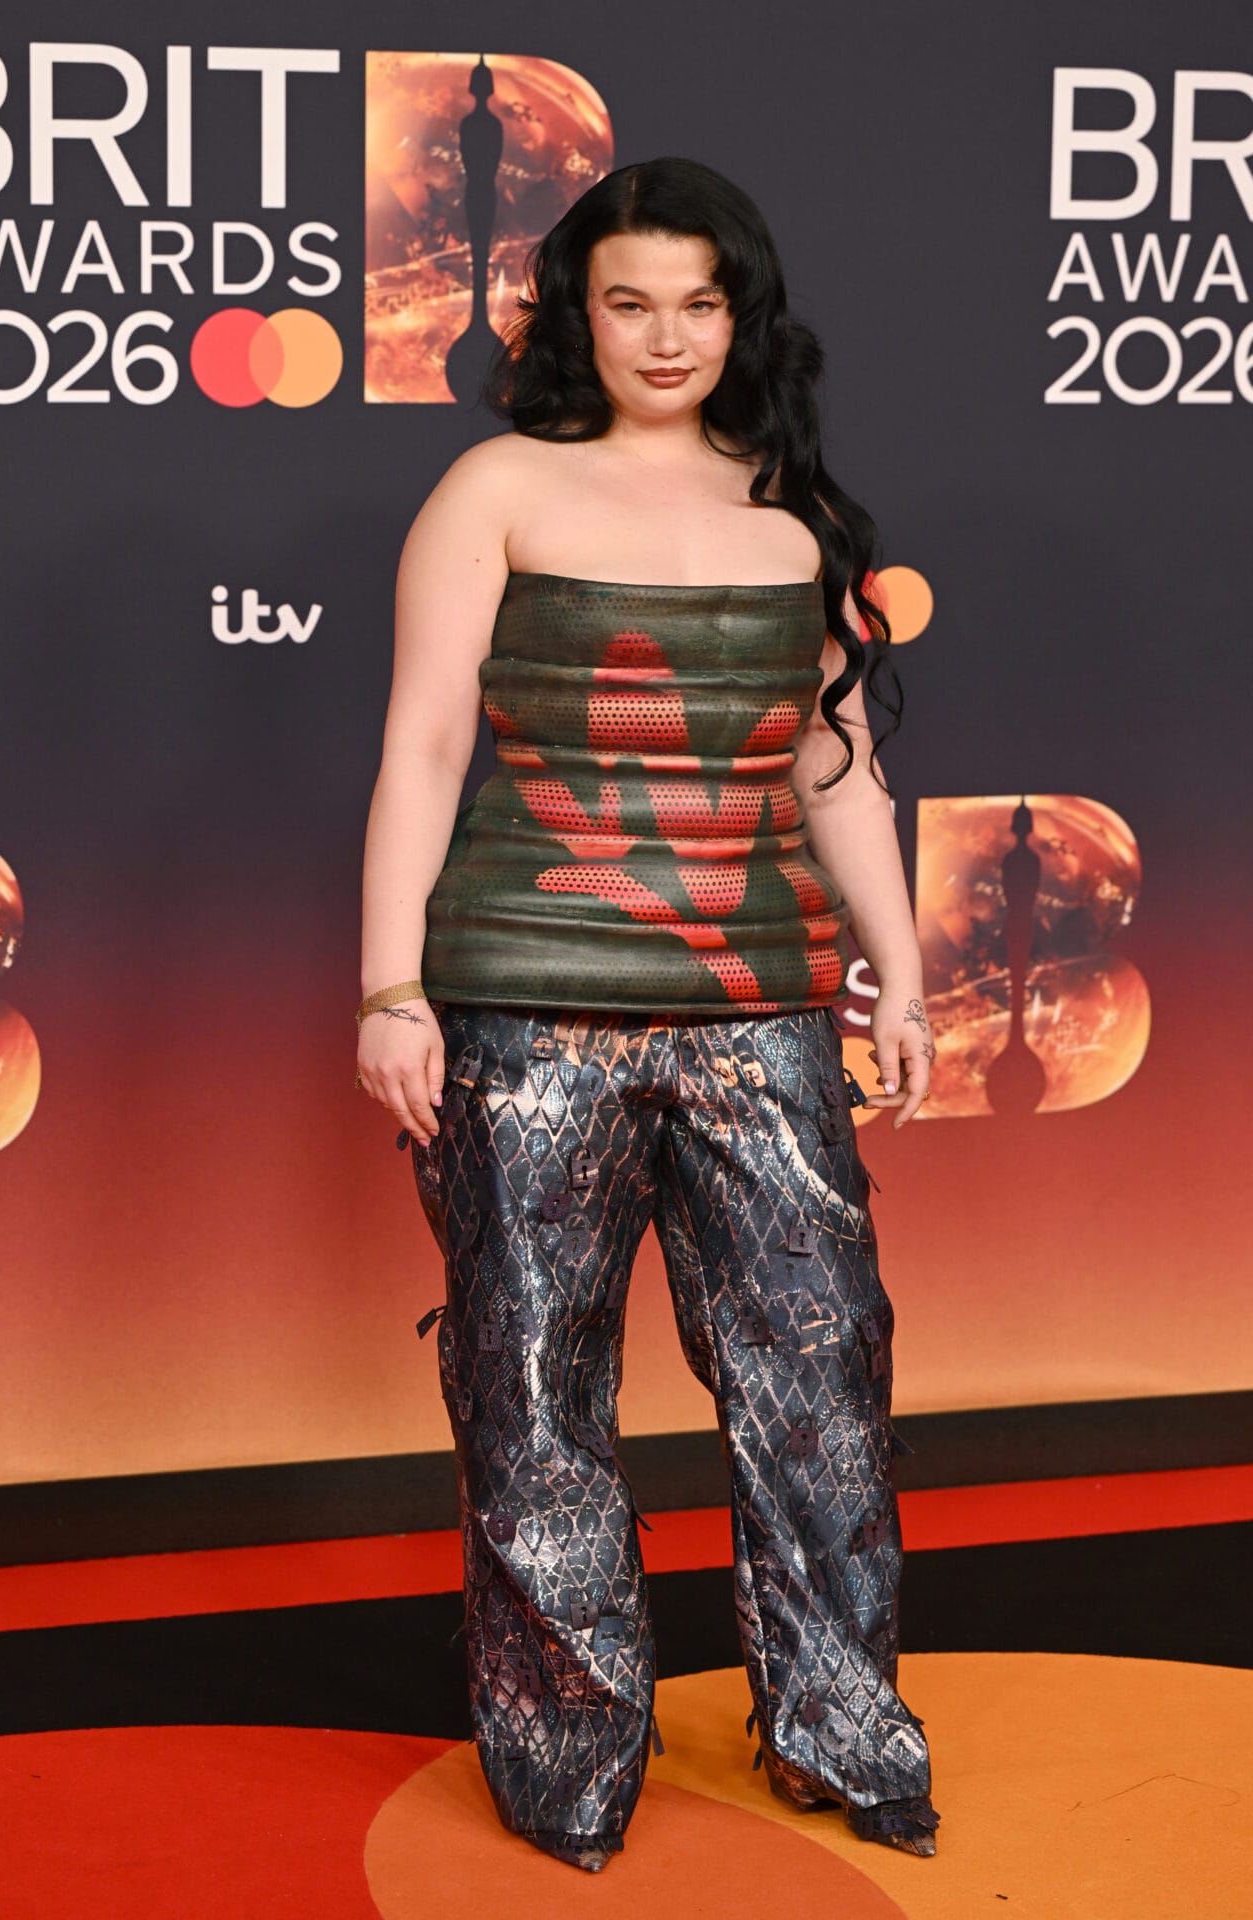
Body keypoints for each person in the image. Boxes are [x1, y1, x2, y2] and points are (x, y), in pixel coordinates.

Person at [356, 155, 940, 1872]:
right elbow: (424, 747)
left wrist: (904, 968)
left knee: (822, 1363)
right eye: (630, 302)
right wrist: (391, 987)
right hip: (522, 1008)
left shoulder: (793, 513)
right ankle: (567, 1757)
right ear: (579, 318)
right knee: (532, 1385)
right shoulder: (497, 489)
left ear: (743, 319)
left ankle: (841, 1729)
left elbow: (835, 765)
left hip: (761, 1007)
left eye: (700, 303)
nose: (667, 336)